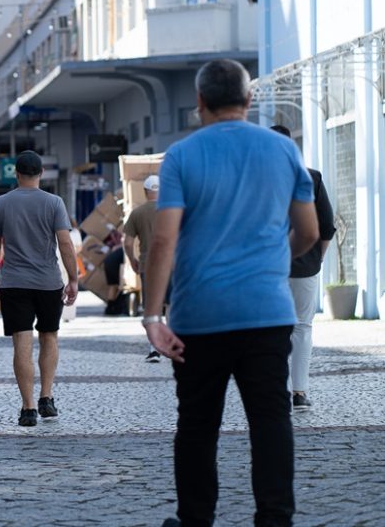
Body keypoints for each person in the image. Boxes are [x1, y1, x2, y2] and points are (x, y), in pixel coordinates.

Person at [143, 59, 318, 527]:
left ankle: (196, 520)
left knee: (198, 425)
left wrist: (153, 317)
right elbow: (308, 231)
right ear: (249, 98)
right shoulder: (283, 150)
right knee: (271, 420)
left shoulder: (182, 155)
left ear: (200, 101)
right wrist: (274, 259)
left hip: (200, 316)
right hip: (267, 312)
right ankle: (275, 519)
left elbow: (164, 240)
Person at [0, 150, 78, 428]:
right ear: (41, 173)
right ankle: (46, 397)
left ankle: (28, 408)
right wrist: (73, 278)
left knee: (21, 343)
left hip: (14, 282)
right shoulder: (54, 202)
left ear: (16, 173)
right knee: (49, 336)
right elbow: (65, 243)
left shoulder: (1, 203)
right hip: (48, 282)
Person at [271, 125, 336, 411]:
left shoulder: (255, 180)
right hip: (305, 266)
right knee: (302, 327)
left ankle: (273, 390)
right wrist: (317, 258)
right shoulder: (312, 177)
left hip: (267, 268)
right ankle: (299, 392)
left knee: (270, 328)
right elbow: (326, 226)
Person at [124, 174, 163, 362]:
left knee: (151, 306)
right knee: (171, 304)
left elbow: (127, 242)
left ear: (145, 191)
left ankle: (154, 348)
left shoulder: (137, 213)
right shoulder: (171, 211)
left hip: (148, 266)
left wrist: (132, 260)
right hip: (172, 265)